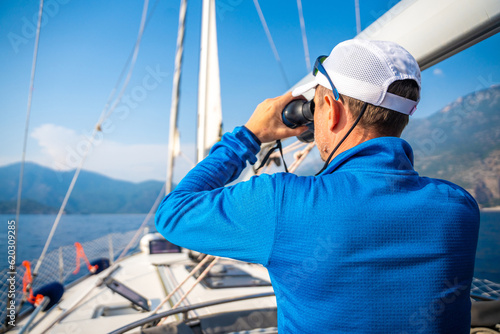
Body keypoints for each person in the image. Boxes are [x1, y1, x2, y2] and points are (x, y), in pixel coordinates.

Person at [155, 39, 480, 333]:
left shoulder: (282, 202)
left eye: (317, 104)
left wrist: (248, 136)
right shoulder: (459, 207)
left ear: (333, 111)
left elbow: (172, 213)